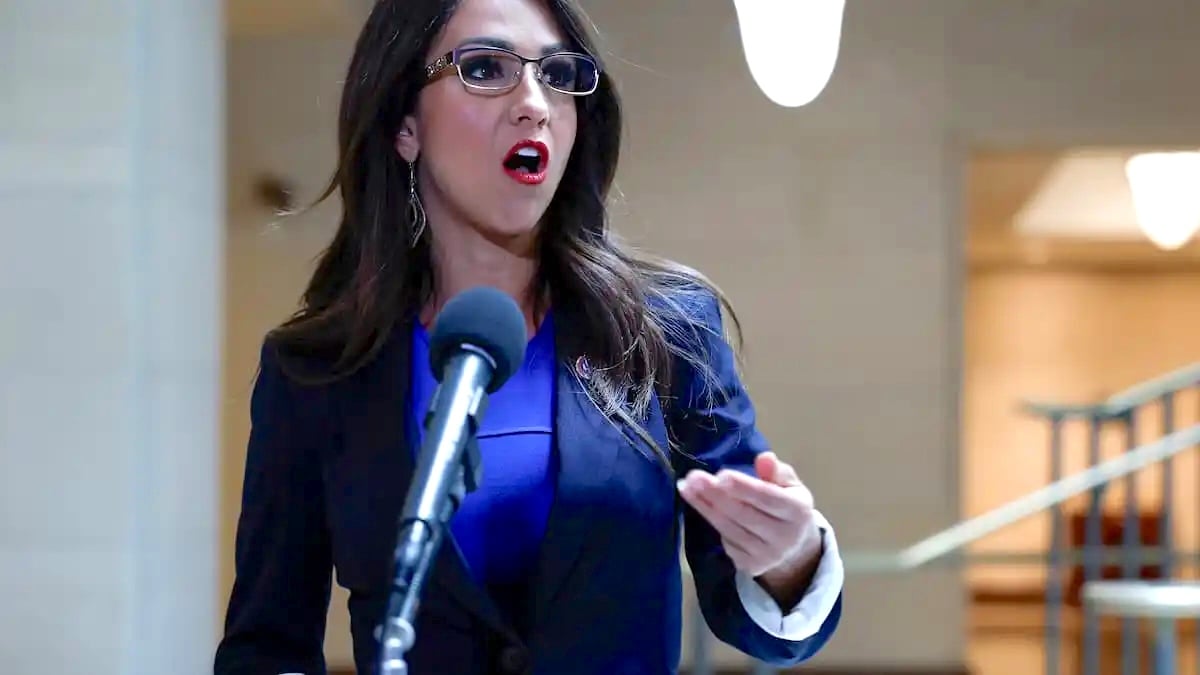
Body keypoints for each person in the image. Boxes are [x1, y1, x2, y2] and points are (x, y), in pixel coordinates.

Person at [214, 0, 844, 673]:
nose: (534, 103)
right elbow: (268, 642)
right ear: (404, 124)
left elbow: (764, 623)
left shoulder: (665, 328)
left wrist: (791, 557)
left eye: (559, 74)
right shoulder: (316, 369)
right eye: (486, 68)